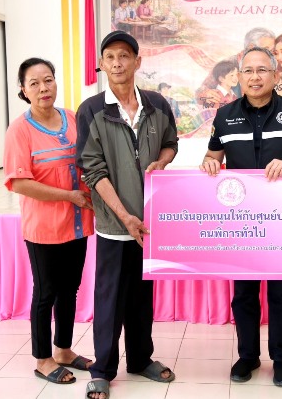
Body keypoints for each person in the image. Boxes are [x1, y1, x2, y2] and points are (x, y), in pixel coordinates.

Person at [199, 46, 282, 387]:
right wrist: (209, 164)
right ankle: (248, 356)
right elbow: (211, 157)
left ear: (275, 76)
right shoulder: (224, 115)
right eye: (248, 71)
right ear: (239, 77)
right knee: (244, 294)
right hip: (241, 222)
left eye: (262, 70)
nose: (255, 77)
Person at [76, 31, 179, 399]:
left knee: (141, 297)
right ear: (101, 64)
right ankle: (102, 369)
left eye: (124, 56)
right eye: (110, 57)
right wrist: (124, 217)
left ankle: (140, 359)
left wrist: (162, 162)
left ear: (138, 61)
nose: (117, 63)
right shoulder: (91, 110)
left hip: (150, 223)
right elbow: (92, 170)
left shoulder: (157, 104)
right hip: (115, 226)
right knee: (109, 300)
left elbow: (171, 144)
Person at [3, 57, 95, 385]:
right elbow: (18, 182)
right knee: (46, 293)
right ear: (23, 90)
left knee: (70, 290)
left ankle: (64, 350)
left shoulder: (72, 117)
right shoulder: (20, 130)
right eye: (34, 83)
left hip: (78, 223)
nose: (43, 88)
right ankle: (43, 359)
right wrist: (69, 196)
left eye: (48, 80)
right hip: (43, 228)